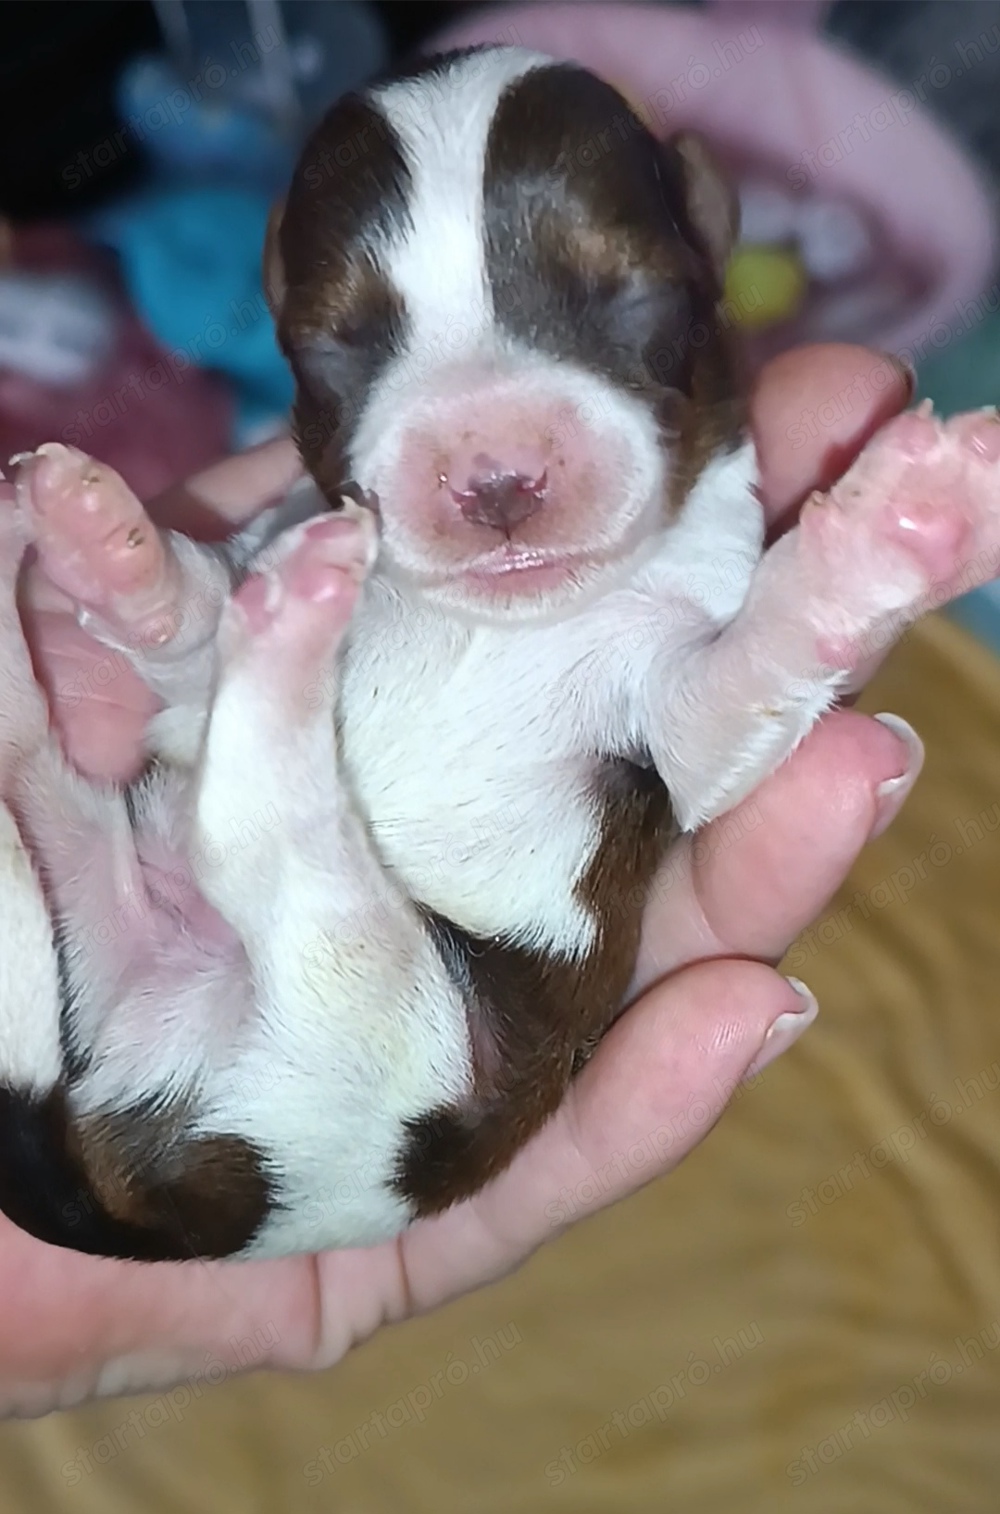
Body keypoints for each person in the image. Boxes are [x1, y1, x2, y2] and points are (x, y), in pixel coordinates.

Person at [0, 343, 921, 1419]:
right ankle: (269, 694)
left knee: (43, 784)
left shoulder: (681, 524)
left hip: (206, 1032)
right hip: (356, 1080)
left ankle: (265, 693)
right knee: (115, 790)